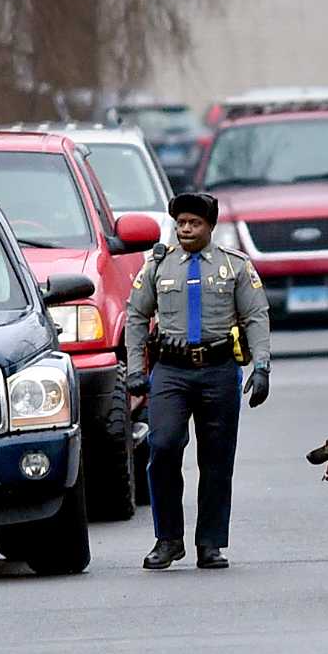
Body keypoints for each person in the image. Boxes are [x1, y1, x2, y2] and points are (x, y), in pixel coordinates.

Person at [125, 191, 271, 571]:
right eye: (181, 223)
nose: (186, 229)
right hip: (171, 371)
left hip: (219, 369)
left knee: (217, 458)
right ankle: (168, 539)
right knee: (163, 445)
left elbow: (256, 315)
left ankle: (210, 542)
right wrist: (135, 370)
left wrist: (262, 367)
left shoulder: (234, 266)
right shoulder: (158, 266)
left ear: (210, 227)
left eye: (194, 223)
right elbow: (136, 316)